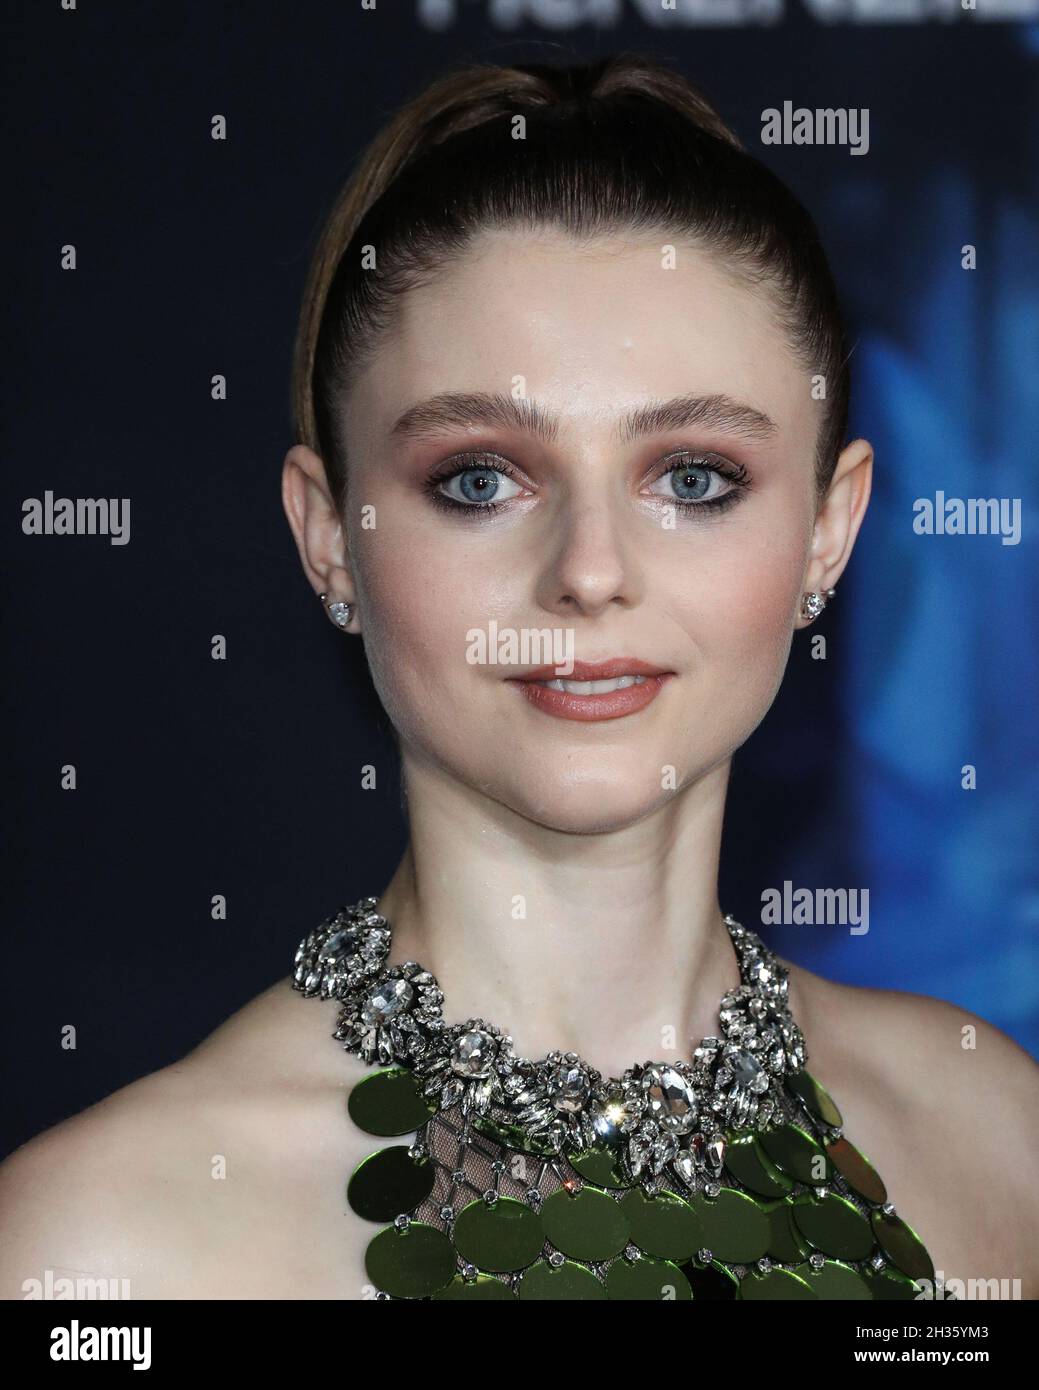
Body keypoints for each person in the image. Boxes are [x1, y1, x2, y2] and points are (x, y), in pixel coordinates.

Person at [3, 53, 1037, 1302]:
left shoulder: (996, 1131)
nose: (590, 573)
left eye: (694, 477)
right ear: (330, 535)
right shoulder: (90, 1252)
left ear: (829, 529)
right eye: (480, 479)